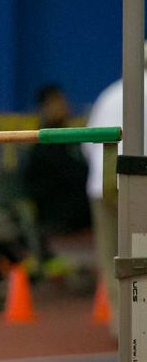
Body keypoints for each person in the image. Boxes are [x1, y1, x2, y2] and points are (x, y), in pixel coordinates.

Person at [82, 50, 147, 339]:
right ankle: (140, 322)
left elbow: (87, 142)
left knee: (111, 255)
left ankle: (122, 326)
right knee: (141, 252)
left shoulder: (109, 94)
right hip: (138, 182)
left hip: (102, 183)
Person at [21, 84, 92, 277]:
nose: (63, 106)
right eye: (57, 103)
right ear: (44, 107)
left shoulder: (73, 138)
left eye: (63, 101)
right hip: (57, 210)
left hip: (79, 201)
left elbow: (83, 171)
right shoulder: (41, 143)